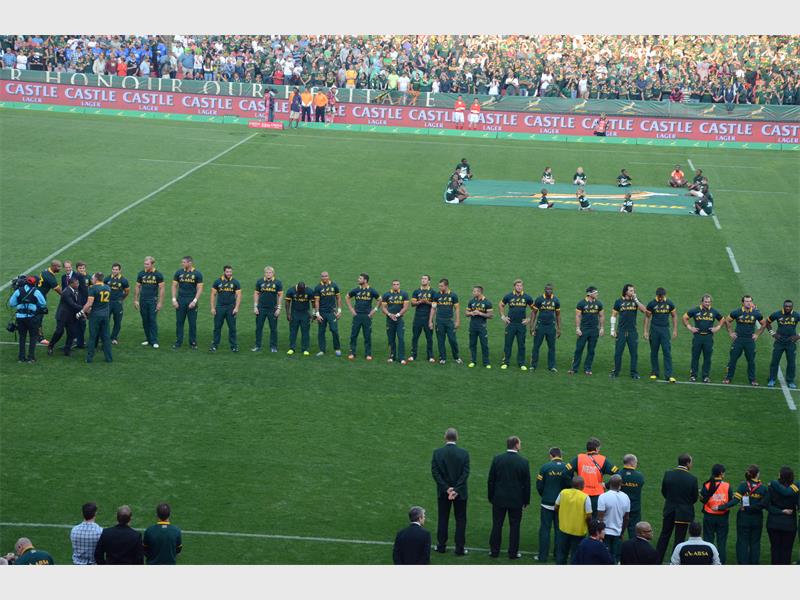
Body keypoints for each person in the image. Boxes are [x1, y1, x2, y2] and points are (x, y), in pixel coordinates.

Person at [487, 436, 531, 559]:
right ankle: (513, 553)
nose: (520, 445)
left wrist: (491, 497)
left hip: (499, 499)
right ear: (516, 445)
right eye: (520, 443)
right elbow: (526, 484)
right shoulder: (523, 462)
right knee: (515, 527)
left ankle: (494, 551)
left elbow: (491, 481)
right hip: (516, 500)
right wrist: (526, 501)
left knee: (497, 525)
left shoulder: (497, 459)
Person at [431, 428, 470, 555]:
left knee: (443, 518)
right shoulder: (464, 454)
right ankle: (459, 549)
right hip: (460, 493)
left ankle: (441, 546)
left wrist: (446, 488)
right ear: (457, 437)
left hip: (443, 492)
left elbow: (435, 473)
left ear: (445, 437)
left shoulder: (437, 453)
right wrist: (456, 489)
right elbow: (465, 474)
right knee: (461, 520)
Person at [655, 453, 699, 563]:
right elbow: (694, 498)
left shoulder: (668, 474)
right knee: (679, 539)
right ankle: (675, 562)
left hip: (669, 510)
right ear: (687, 463)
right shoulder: (692, 479)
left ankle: (657, 560)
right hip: (684, 513)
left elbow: (664, 491)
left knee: (664, 535)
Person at [565, 437, 619, 516]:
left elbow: (565, 472)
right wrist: (606, 485)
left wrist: (573, 485)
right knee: (594, 520)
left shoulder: (579, 458)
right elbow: (617, 474)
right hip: (597, 496)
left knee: (580, 517)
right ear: (596, 449)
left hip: (581, 494)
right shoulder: (603, 459)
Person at [722, 295, 765, 386]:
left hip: (750, 340)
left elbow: (764, 323)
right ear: (742, 303)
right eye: (746, 301)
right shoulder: (737, 312)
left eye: (750, 301)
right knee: (733, 360)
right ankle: (728, 378)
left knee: (751, 361)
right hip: (738, 340)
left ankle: (752, 380)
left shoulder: (756, 313)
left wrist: (757, 334)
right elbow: (727, 320)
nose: (748, 303)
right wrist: (730, 332)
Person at [535, 447, 569, 563]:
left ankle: (542, 557)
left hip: (546, 503)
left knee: (545, 529)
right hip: (562, 504)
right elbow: (570, 485)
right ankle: (558, 556)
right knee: (559, 530)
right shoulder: (567, 468)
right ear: (561, 455)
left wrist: (545, 495)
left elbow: (539, 486)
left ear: (551, 455)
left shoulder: (545, 467)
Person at [683, 294, 725, 382]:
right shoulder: (695, 310)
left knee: (707, 358)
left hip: (708, 337)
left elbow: (722, 319)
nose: (707, 303)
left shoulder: (714, 311)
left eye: (709, 302)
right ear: (702, 302)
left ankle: (705, 376)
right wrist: (690, 327)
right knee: (695, 357)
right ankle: (693, 375)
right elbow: (685, 317)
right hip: (697, 337)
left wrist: (717, 328)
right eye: (706, 302)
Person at [610, 284, 647, 379]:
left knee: (634, 354)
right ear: (626, 291)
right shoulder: (618, 301)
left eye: (633, 290)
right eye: (631, 291)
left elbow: (644, 311)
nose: (633, 292)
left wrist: (636, 300)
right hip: (621, 331)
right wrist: (612, 329)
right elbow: (614, 315)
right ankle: (615, 372)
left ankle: (634, 373)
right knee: (618, 353)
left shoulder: (635, 301)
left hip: (632, 331)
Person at [8, 276, 47, 363]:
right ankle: (31, 358)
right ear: (35, 284)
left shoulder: (18, 291)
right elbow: (43, 303)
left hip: (20, 318)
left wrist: (20, 303)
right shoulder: (36, 291)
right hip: (32, 318)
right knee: (33, 337)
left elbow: (11, 303)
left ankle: (21, 358)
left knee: (22, 337)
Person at [644, 287, 679, 383]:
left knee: (667, 351)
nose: (660, 298)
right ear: (657, 295)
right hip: (654, 329)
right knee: (654, 351)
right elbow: (647, 317)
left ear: (664, 295)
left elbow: (674, 316)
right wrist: (645, 331)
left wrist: (675, 330)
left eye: (662, 297)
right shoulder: (652, 304)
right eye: (659, 297)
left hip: (665, 330)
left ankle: (669, 375)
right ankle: (655, 372)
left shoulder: (669, 303)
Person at [765, 466, 799, 564]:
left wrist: (780, 511)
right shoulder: (795, 490)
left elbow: (767, 505)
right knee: (787, 551)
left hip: (773, 524)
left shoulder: (772, 487)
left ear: (780, 475)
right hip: (789, 525)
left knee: (775, 549)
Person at [555, 475, 592, 564]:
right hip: (578, 531)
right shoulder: (585, 497)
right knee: (575, 555)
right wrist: (588, 526)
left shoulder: (563, 492)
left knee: (561, 554)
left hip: (563, 528)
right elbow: (589, 516)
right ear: (581, 485)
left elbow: (556, 507)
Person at [700, 463, 733, 564]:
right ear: (721, 473)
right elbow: (730, 501)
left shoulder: (707, 485)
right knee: (721, 542)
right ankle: (721, 562)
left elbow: (703, 500)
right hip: (723, 517)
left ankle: (708, 561)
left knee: (708, 540)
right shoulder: (727, 486)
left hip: (709, 516)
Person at [499, 279, 534, 370]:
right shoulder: (509, 296)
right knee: (508, 344)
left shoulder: (527, 297)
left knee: (521, 345)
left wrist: (529, 319)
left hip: (521, 325)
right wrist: (503, 316)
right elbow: (501, 305)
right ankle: (505, 362)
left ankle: (521, 363)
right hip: (510, 324)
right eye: (517, 286)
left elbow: (534, 309)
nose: (519, 287)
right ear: (514, 286)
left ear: (523, 287)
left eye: (521, 286)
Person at [569, 286, 604, 375]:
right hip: (584, 330)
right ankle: (574, 368)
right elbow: (578, 316)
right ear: (589, 294)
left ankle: (587, 368)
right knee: (579, 349)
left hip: (594, 330)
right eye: (595, 293)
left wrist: (602, 328)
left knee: (591, 350)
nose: (597, 294)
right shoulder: (581, 303)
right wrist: (577, 328)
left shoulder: (599, 304)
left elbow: (601, 316)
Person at [765, 299, 799, 389]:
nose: (787, 308)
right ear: (783, 306)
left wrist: (798, 336)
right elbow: (767, 322)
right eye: (786, 306)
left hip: (791, 342)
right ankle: (772, 379)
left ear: (792, 307)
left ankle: (790, 381)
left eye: (789, 306)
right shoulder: (777, 314)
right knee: (775, 361)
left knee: (791, 362)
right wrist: (773, 333)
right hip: (779, 342)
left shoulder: (796, 315)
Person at [346, 273, 381, 360]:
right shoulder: (356, 290)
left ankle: (368, 354)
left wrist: (374, 310)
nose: (358, 279)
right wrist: (351, 309)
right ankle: (352, 353)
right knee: (354, 335)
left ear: (365, 280)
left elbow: (380, 299)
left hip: (367, 316)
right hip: (357, 316)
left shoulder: (371, 291)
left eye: (360, 278)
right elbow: (347, 297)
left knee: (367, 336)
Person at [171, 256, 203, 350]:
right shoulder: (179, 273)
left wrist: (194, 301)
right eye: (182, 262)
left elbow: (200, 288)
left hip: (191, 301)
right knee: (179, 322)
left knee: (192, 323)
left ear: (190, 263)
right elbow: (174, 286)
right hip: (180, 300)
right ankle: (178, 342)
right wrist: (174, 300)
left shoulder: (197, 274)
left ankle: (193, 342)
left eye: (184, 262)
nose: (182, 264)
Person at [597, 474, 630, 563]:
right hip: (618, 532)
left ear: (610, 483)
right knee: (614, 557)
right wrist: (622, 532)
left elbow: (600, 518)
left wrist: (599, 533)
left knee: (604, 558)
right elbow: (626, 518)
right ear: (621, 484)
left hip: (605, 533)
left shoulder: (603, 496)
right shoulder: (626, 497)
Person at [46, 276, 82, 357]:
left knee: (71, 333)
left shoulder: (76, 290)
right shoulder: (66, 292)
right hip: (63, 316)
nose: (78, 284)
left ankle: (67, 350)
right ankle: (50, 346)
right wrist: (84, 308)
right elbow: (72, 304)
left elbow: (78, 302)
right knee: (59, 332)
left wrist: (81, 311)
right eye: (76, 283)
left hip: (71, 316)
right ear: (71, 284)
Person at [134, 256, 165, 349]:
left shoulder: (158, 275)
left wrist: (160, 302)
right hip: (143, 300)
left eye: (147, 264)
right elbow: (137, 286)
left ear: (152, 264)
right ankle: (148, 339)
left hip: (152, 301)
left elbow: (162, 289)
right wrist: (136, 300)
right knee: (145, 320)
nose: (145, 265)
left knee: (152, 320)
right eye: (145, 264)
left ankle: (154, 340)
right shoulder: (141, 273)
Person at [82, 271, 113, 363]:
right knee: (106, 337)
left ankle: (89, 358)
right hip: (105, 315)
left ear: (96, 279)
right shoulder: (108, 287)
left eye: (92, 278)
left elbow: (89, 303)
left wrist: (82, 311)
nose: (91, 279)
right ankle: (109, 358)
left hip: (95, 316)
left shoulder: (93, 288)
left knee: (92, 337)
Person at [209, 265, 241, 353]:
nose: (229, 273)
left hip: (231, 308)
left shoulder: (235, 282)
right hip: (219, 308)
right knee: (217, 327)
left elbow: (239, 296)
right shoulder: (217, 282)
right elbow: (213, 295)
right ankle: (214, 345)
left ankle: (234, 346)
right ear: (224, 272)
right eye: (227, 272)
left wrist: (236, 308)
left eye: (230, 272)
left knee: (232, 328)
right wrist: (212, 307)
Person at [529, 283, 561, 372]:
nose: (549, 291)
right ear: (544, 290)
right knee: (536, 346)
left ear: (552, 290)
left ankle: (552, 366)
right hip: (540, 326)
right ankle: (533, 365)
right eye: (547, 289)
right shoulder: (539, 299)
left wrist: (559, 328)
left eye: (550, 289)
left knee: (552, 347)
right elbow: (534, 313)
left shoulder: (556, 300)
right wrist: (531, 326)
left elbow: (558, 315)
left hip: (551, 327)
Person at [430, 278, 461, 365]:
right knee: (441, 340)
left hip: (449, 321)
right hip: (439, 321)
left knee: (452, 340)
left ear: (446, 286)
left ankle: (456, 357)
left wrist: (457, 321)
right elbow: (433, 308)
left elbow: (457, 309)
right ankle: (442, 358)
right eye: (439, 286)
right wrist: (430, 321)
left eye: (441, 286)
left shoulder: (453, 295)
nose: (440, 287)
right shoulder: (436, 295)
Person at [253, 266, 283, 353]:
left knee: (273, 328)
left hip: (272, 309)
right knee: (259, 328)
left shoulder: (277, 283)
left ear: (273, 273)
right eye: (267, 272)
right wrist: (255, 306)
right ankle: (257, 346)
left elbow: (280, 295)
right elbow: (256, 294)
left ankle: (273, 347)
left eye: (270, 272)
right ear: (264, 273)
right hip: (261, 308)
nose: (268, 274)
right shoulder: (260, 282)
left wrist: (279, 308)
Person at [313, 271, 341, 357]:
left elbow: (338, 298)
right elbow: (316, 301)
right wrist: (317, 313)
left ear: (328, 276)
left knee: (334, 330)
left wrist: (339, 310)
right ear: (321, 277)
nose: (324, 278)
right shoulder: (318, 287)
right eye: (323, 276)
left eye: (326, 276)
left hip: (332, 312)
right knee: (321, 331)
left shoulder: (334, 285)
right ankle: (322, 350)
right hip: (322, 313)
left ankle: (337, 348)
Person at [381, 279, 410, 364]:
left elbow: (405, 307)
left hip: (399, 320)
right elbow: (383, 308)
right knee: (391, 339)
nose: (396, 286)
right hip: (389, 320)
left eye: (397, 284)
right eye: (394, 284)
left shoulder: (404, 294)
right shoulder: (386, 294)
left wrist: (397, 315)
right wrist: (390, 314)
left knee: (401, 338)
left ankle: (401, 357)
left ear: (399, 285)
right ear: (392, 285)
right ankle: (392, 356)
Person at [410, 275, 435, 363]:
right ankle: (413, 355)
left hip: (428, 318)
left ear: (429, 281)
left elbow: (435, 305)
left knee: (429, 338)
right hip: (418, 318)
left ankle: (430, 356)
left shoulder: (433, 292)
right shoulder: (416, 291)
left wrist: (427, 302)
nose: (423, 280)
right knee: (415, 337)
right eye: (422, 279)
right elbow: (412, 303)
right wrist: (420, 301)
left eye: (425, 279)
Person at [466, 285, 493, 368]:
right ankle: (473, 361)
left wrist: (480, 313)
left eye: (474, 291)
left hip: (482, 326)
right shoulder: (471, 301)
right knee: (472, 344)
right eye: (473, 291)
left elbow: (490, 316)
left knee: (484, 344)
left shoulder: (487, 302)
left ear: (479, 292)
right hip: (472, 326)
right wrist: (471, 313)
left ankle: (486, 362)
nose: (473, 292)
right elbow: (466, 313)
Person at [285, 281, 314, 355]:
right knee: (293, 332)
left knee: (305, 332)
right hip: (294, 314)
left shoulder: (309, 291)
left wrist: (313, 313)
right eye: (299, 290)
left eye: (302, 290)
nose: (301, 292)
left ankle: (305, 349)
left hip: (305, 314)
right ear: (297, 288)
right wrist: (288, 314)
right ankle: (292, 348)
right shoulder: (291, 290)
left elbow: (313, 303)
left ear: (304, 288)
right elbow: (287, 302)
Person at [620, 454, 645, 539]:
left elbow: (610, 485)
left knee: (618, 529)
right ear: (632, 463)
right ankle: (633, 546)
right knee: (634, 531)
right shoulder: (639, 476)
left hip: (621, 507)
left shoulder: (619, 474)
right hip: (634, 507)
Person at [104, 263, 130, 345]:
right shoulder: (107, 279)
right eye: (113, 269)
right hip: (108, 303)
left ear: (120, 270)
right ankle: (105, 336)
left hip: (117, 304)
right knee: (105, 320)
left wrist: (121, 299)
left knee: (117, 321)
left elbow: (127, 291)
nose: (114, 271)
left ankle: (114, 337)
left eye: (116, 270)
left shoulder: (124, 280)